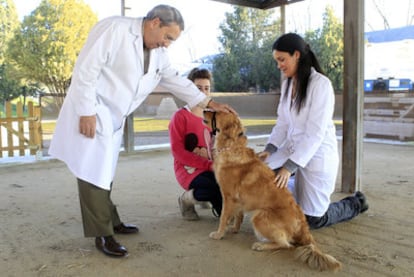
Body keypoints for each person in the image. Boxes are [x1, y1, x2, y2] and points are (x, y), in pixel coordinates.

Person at [48, 5, 234, 258]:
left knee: (104, 174)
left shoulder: (157, 53)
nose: (167, 44)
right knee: (92, 174)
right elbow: (86, 69)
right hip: (93, 111)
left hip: (113, 117)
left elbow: (174, 80)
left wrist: (209, 103)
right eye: (167, 37)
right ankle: (102, 233)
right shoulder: (115, 29)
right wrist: (86, 111)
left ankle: (110, 221)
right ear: (154, 22)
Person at [258, 33, 369, 230]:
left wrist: (289, 167)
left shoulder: (321, 85)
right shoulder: (287, 84)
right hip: (293, 150)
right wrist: (270, 148)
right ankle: (289, 188)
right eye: (277, 61)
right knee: (259, 174)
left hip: (317, 154)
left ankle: (355, 203)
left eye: (282, 60)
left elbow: (315, 134)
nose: (279, 66)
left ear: (297, 55)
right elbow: (283, 122)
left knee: (312, 220)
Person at [168, 68, 222, 221]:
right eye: (198, 89)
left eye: (207, 88)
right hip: (189, 169)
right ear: (189, 90)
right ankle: (186, 199)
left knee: (226, 184)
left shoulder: (213, 116)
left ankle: (210, 199)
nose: (203, 93)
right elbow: (178, 152)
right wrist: (208, 165)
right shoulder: (180, 117)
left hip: (211, 166)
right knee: (214, 187)